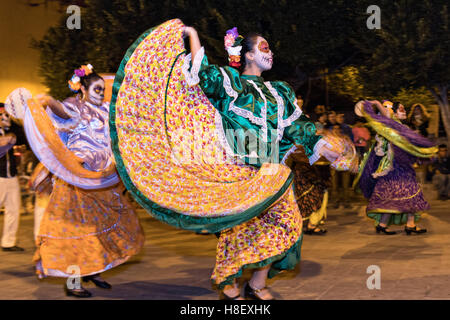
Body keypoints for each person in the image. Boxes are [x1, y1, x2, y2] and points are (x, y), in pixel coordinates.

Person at [181, 25, 356, 300]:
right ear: (247, 54)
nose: (270, 52)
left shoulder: (280, 91)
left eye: (270, 48)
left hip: (274, 172)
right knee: (241, 230)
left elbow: (298, 126)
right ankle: (230, 286)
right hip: (240, 171)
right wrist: (191, 34)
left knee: (287, 223)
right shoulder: (231, 83)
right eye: (263, 47)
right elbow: (201, 74)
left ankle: (257, 283)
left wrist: (323, 146)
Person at [29, 65, 144, 297]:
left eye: (103, 89)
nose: (102, 93)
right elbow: (61, 112)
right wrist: (49, 100)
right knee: (76, 232)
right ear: (82, 88)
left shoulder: (106, 110)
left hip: (101, 180)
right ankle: (74, 282)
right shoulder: (75, 107)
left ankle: (94, 270)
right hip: (76, 179)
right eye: (97, 89)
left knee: (100, 228)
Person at [353, 100, 437, 235]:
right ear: (395, 114)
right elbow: (386, 115)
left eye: (404, 108)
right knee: (411, 193)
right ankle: (409, 225)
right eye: (400, 109)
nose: (404, 111)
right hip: (396, 168)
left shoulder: (401, 128)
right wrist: (376, 103)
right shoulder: (391, 125)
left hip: (398, 168)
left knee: (393, 197)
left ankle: (383, 224)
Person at [0, 104, 25, 252]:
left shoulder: (11, 131)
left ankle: (8, 242)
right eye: (3, 114)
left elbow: (22, 136)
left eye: (6, 114)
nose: (5, 117)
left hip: (11, 176)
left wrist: (12, 121)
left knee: (14, 209)